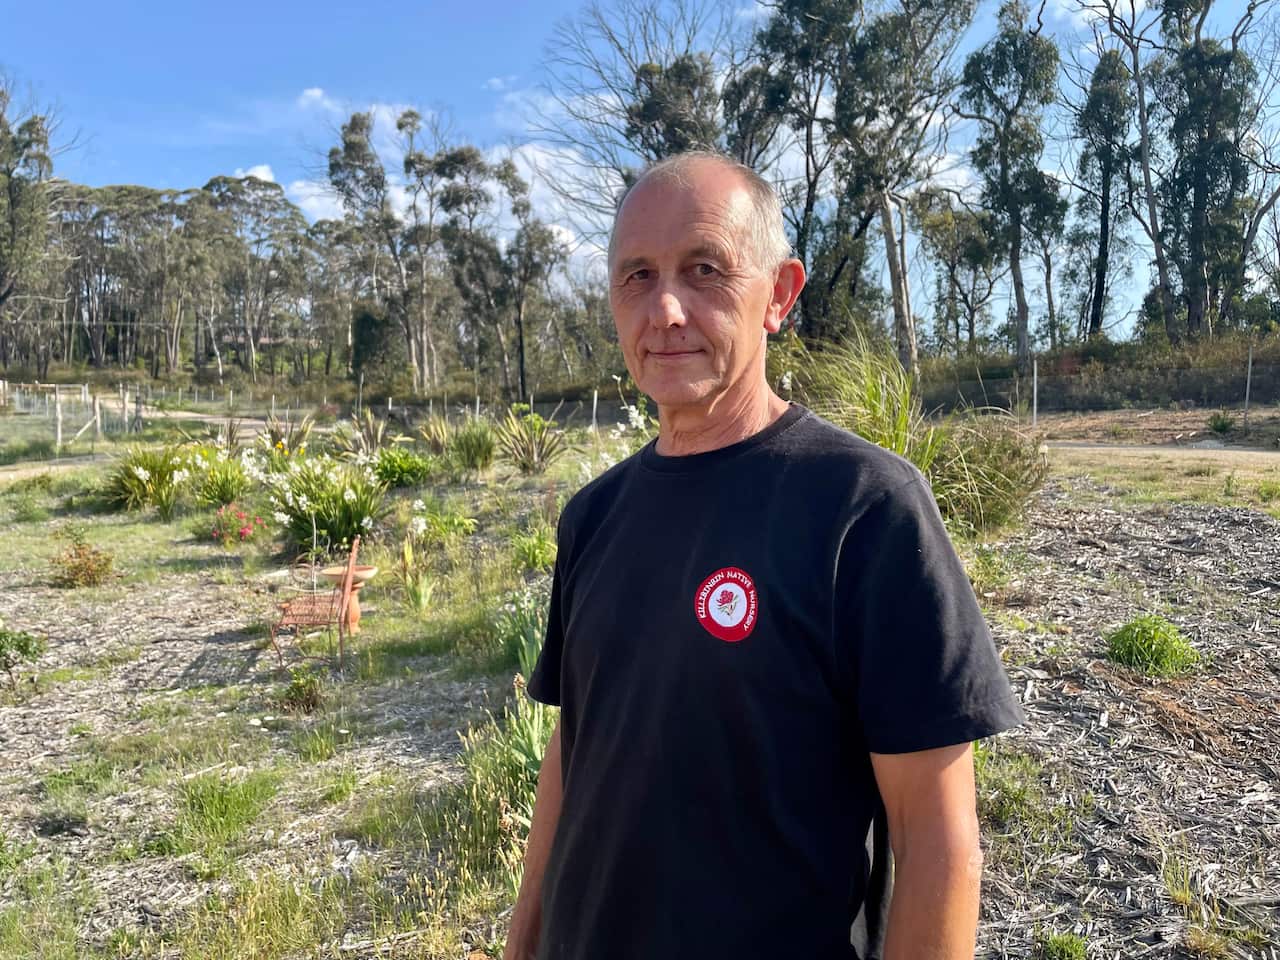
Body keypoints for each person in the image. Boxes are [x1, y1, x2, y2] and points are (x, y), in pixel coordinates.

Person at [502, 151, 1023, 960]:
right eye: (636, 276)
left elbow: (937, 843)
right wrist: (523, 943)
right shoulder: (592, 516)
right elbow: (575, 758)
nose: (665, 308)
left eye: (704, 269)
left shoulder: (864, 508)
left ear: (778, 295)